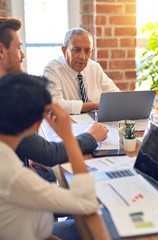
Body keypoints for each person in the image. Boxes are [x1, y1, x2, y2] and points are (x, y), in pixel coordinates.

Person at [0, 17, 108, 179]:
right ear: (1, 50)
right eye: (18, 48)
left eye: (87, 51)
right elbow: (50, 155)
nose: (23, 56)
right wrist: (90, 137)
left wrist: (26, 160)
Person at [0, 72, 99, 239]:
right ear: (37, 123)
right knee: (92, 226)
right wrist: (68, 136)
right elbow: (87, 203)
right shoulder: (14, 176)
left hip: (27, 225)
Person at [44, 27, 120, 114]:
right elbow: (54, 105)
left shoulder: (95, 67)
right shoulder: (52, 69)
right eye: (77, 50)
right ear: (64, 50)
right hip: (68, 125)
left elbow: (115, 96)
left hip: (95, 123)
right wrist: (94, 106)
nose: (82, 56)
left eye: (87, 51)